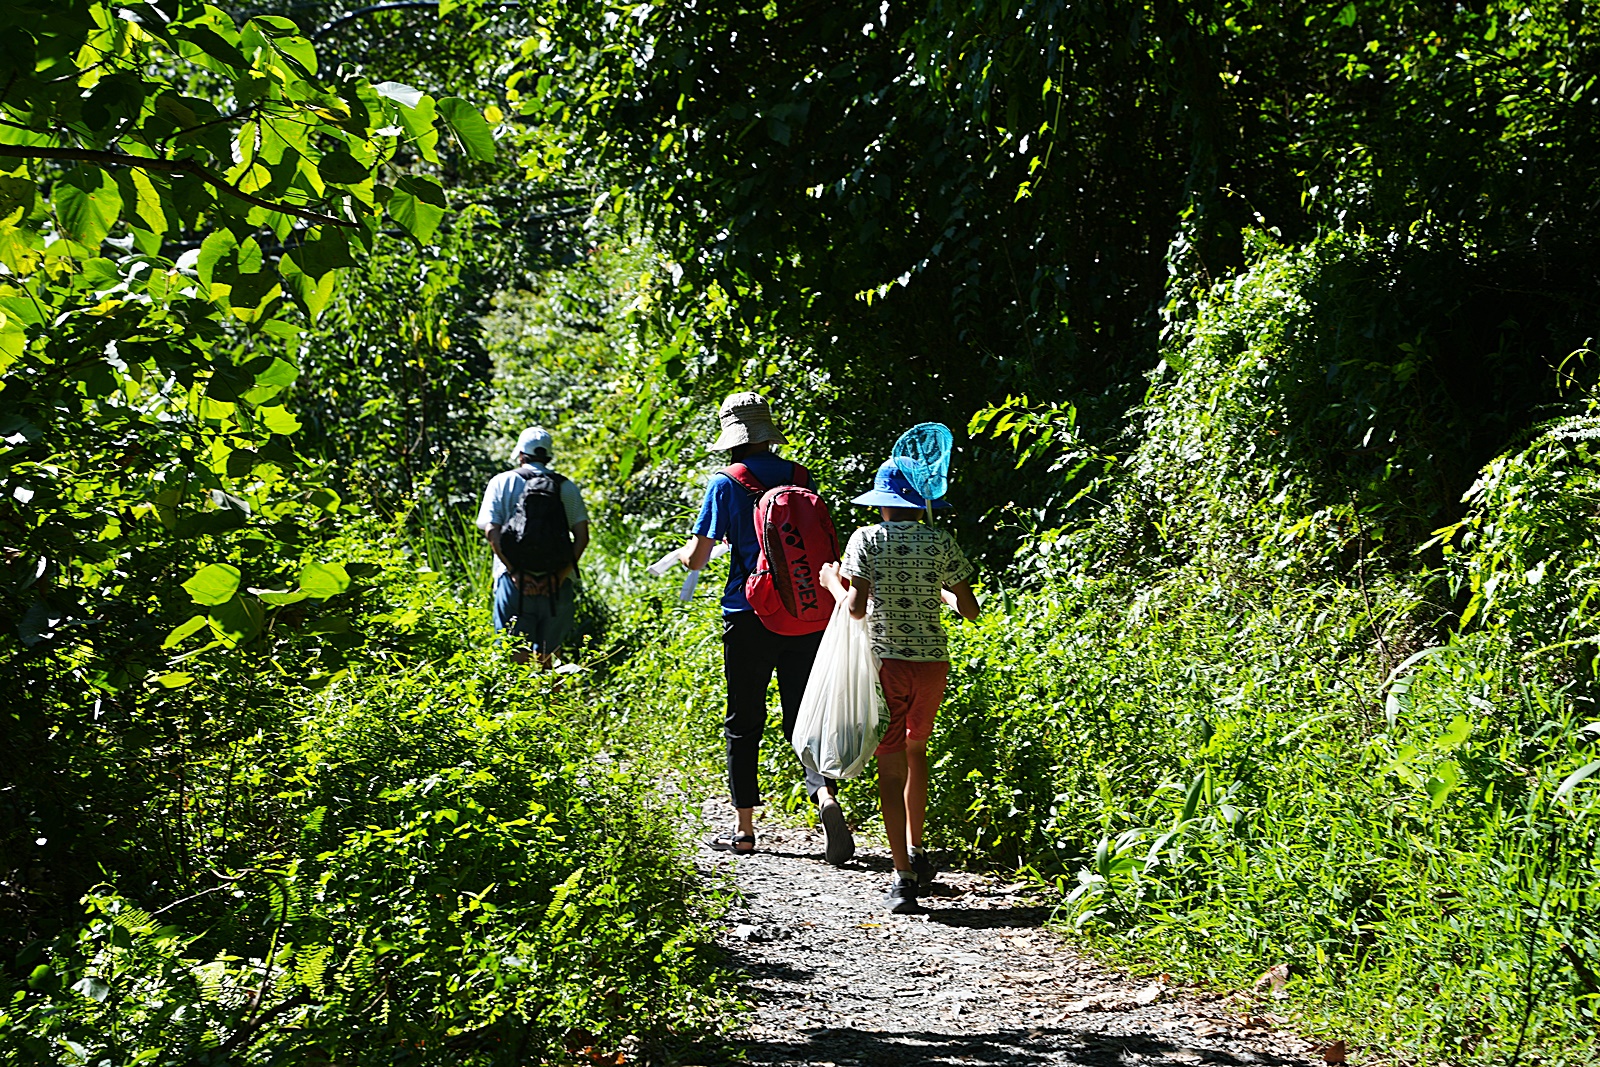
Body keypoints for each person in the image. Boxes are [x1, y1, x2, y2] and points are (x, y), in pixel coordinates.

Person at [678, 392, 854, 863]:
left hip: (749, 614)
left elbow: (699, 556)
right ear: (767, 432)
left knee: (744, 719)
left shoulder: (726, 483)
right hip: (806, 612)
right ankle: (825, 796)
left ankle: (745, 830)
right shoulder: (800, 477)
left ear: (731, 437)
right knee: (805, 716)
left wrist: (686, 557)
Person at [819, 460, 980, 914]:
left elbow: (855, 610)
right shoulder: (940, 541)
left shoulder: (866, 539)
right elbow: (969, 608)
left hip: (887, 666)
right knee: (916, 751)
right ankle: (917, 848)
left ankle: (903, 878)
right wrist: (944, 594)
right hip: (933, 666)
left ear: (884, 505)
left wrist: (833, 582)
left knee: (889, 767)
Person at [476, 426, 590, 667]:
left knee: (514, 655)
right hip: (555, 585)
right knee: (553, 657)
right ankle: (554, 704)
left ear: (521, 455)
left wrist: (514, 572)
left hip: (513, 584)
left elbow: (491, 531)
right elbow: (582, 536)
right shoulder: (565, 487)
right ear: (548, 456)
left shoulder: (501, 482)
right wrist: (560, 576)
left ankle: (519, 705)